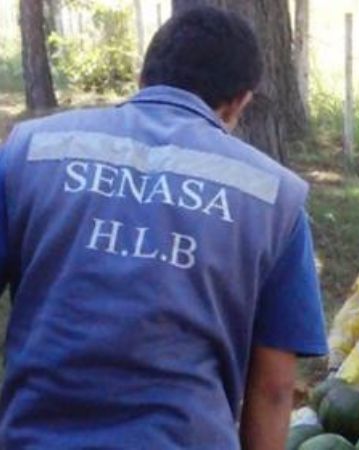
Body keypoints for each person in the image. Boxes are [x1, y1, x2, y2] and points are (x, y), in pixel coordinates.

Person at [0, 7, 327, 449]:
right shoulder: (274, 197)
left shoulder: (30, 151)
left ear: (143, 77)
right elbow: (272, 390)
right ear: (240, 101)